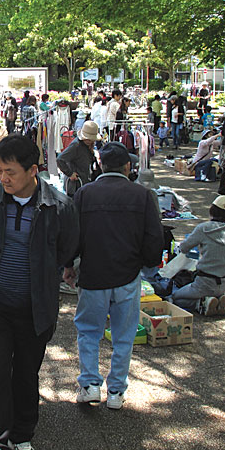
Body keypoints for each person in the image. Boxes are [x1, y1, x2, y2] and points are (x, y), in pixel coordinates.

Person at [0, 135, 79, 450]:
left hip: (36, 308)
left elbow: (66, 250)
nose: (4, 178)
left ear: (34, 170)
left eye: (11, 172)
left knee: (27, 374)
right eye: (0, 171)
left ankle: (23, 434)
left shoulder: (59, 206)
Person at [64, 142, 162, 409]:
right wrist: (149, 264)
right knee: (124, 335)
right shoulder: (142, 195)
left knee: (88, 332)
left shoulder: (85, 194)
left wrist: (68, 264)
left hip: (93, 275)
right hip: (128, 276)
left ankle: (90, 385)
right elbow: (154, 236)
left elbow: (73, 233)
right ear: (128, 167)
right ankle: (116, 391)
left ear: (101, 166)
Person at [169, 195, 225, 316]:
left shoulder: (203, 229)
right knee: (208, 290)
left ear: (212, 210)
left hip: (204, 283)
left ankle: (202, 303)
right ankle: (217, 301)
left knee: (175, 298)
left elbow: (183, 248)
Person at [58, 120, 102, 197]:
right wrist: (70, 173)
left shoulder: (86, 145)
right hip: (75, 186)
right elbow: (60, 159)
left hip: (83, 184)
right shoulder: (76, 145)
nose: (90, 141)